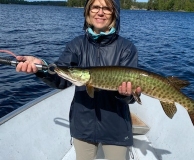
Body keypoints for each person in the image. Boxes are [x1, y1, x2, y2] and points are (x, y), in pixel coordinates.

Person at [16, 0, 141, 159]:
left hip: (116, 127)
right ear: (88, 12)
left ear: (114, 13)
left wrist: (127, 94)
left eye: (107, 8)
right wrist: (42, 68)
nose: (100, 12)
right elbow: (60, 78)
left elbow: (130, 97)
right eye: (95, 7)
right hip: (83, 126)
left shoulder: (126, 48)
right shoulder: (76, 45)